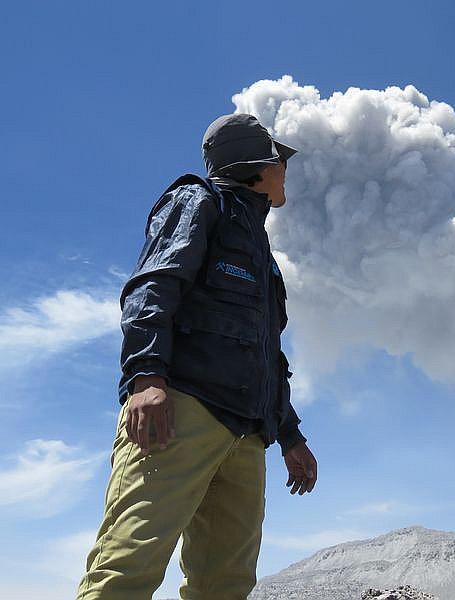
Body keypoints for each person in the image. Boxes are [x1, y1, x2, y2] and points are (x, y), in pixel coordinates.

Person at [75, 112, 318, 600]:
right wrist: (146, 377)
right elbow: (153, 288)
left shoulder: (262, 253)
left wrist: (290, 436)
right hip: (181, 414)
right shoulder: (198, 202)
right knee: (129, 566)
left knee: (224, 586)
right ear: (257, 165)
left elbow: (267, 355)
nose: (284, 170)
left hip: (247, 433)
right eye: (278, 161)